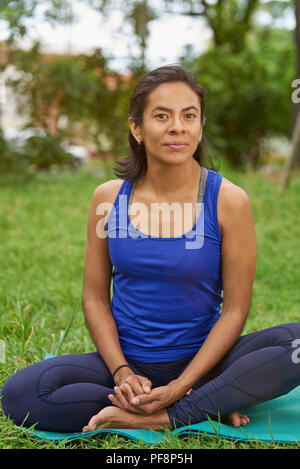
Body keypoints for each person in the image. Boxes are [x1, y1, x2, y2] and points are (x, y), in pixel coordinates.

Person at [1, 64, 300, 435]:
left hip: (205, 363)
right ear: (137, 128)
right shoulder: (108, 199)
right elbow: (95, 298)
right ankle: (210, 403)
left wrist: (183, 384)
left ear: (200, 125)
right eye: (162, 116)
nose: (178, 126)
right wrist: (122, 372)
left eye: (189, 116)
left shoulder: (228, 200)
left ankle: (171, 412)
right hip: (128, 364)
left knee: (297, 344)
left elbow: (236, 307)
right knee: (21, 394)